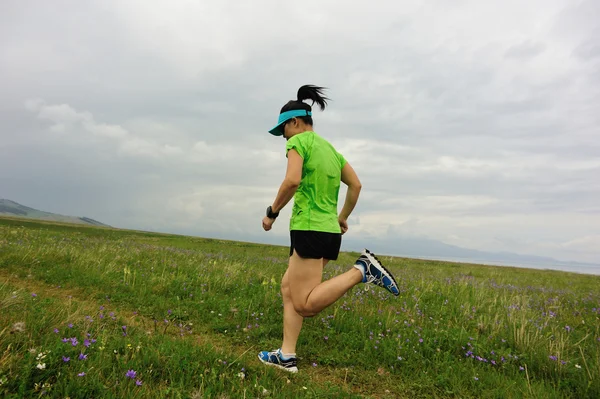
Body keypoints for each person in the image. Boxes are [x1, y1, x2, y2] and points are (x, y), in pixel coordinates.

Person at [258, 85, 400, 373]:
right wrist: (342, 217)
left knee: (304, 304)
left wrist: (272, 213)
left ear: (295, 122)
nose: (282, 136)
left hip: (308, 229)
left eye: (283, 129)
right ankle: (286, 356)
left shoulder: (298, 144)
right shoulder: (331, 150)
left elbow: (292, 181)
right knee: (288, 287)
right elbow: (356, 184)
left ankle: (362, 270)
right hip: (328, 232)